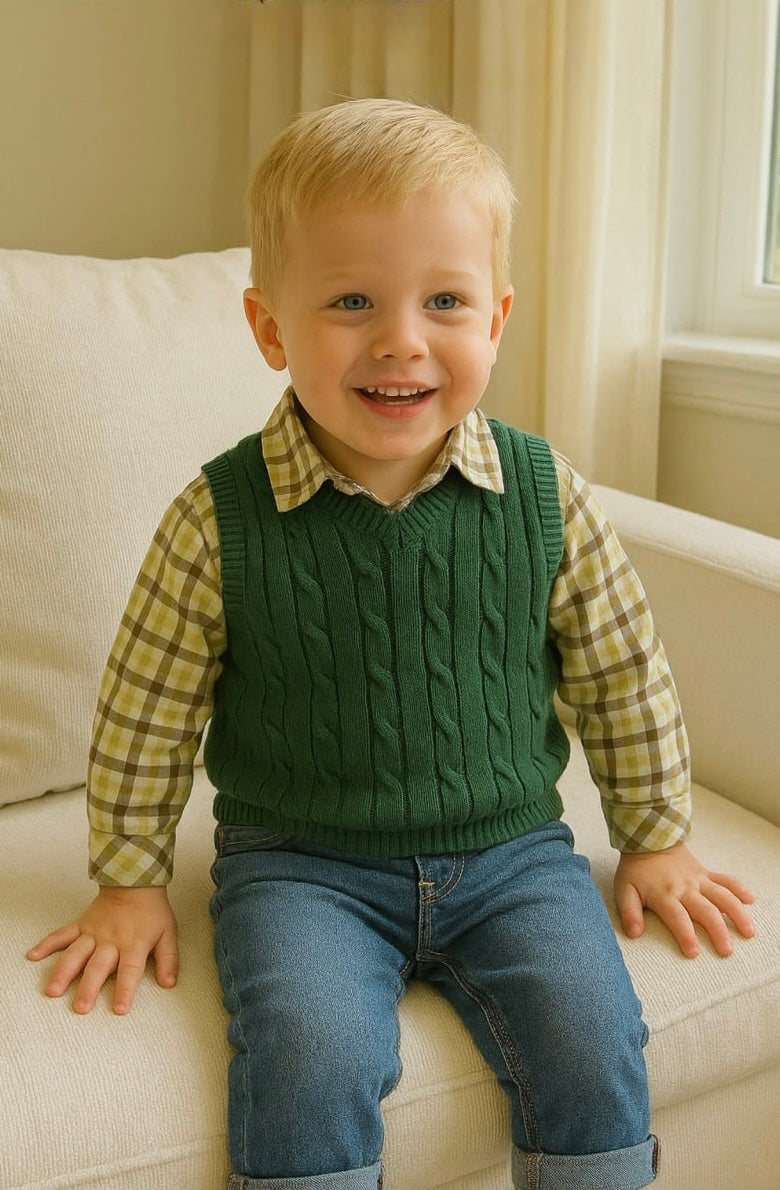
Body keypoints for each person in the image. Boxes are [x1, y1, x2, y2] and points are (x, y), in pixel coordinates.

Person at [28, 99, 755, 1190]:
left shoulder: (546, 496)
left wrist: (654, 835)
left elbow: (622, 673)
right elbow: (148, 702)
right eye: (352, 300)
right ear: (270, 327)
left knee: (593, 1034)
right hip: (301, 863)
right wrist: (129, 879)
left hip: (513, 854)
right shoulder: (215, 518)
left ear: (497, 318)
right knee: (310, 1055)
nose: (402, 337)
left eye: (445, 300)